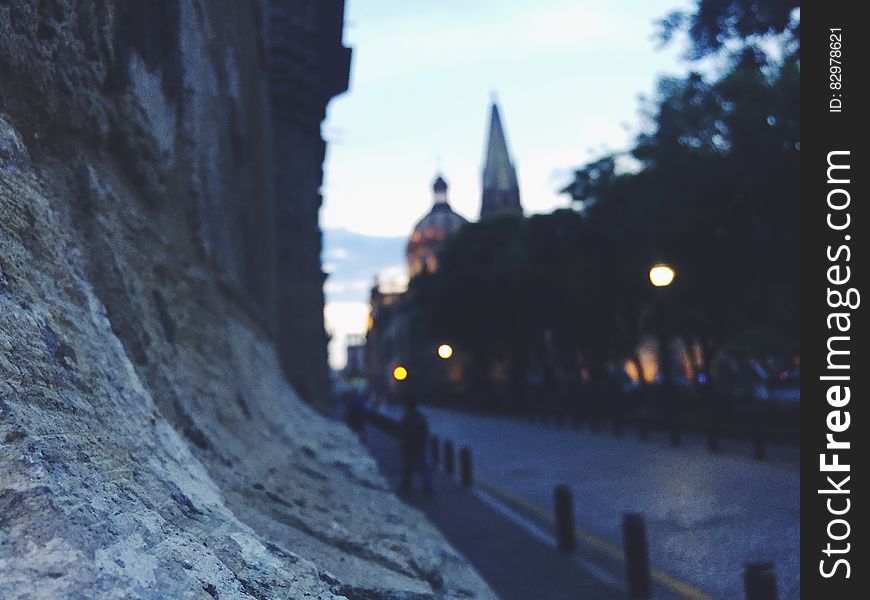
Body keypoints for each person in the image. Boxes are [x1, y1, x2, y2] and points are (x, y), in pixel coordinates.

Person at [399, 400, 433, 494]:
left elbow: (404, 430)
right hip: (418, 445)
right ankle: (427, 486)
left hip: (411, 445)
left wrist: (403, 441)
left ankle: (408, 482)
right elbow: (425, 431)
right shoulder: (419, 416)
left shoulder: (409, 417)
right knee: (421, 466)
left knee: (410, 465)